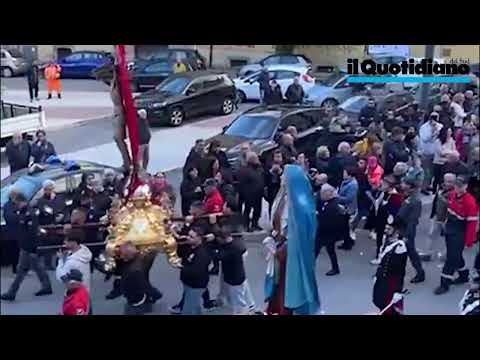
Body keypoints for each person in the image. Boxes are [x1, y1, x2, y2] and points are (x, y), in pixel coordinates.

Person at [1, 192, 53, 301]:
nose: (15, 205)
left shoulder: (29, 213)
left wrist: (31, 248)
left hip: (29, 247)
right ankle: (46, 286)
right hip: (28, 246)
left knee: (22, 270)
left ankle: (12, 292)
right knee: (36, 268)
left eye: (16, 203)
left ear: (21, 202)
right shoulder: (26, 212)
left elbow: (32, 232)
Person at [434, 176, 479, 295]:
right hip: (450, 229)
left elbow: (472, 224)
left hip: (460, 232)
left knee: (451, 259)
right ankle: (464, 275)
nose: (457, 188)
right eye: (456, 185)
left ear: (466, 186)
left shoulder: (470, 202)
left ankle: (444, 283)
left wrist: (469, 241)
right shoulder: (453, 195)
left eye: (460, 186)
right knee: (456, 255)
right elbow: (448, 212)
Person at [372, 215, 408, 315]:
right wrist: (377, 275)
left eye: (389, 228)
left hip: (391, 283)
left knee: (389, 309)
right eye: (386, 227)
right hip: (382, 279)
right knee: (379, 301)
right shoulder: (387, 241)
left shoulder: (400, 247)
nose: (386, 230)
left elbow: (400, 271)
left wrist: (398, 290)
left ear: (396, 231)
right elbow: (382, 263)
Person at [367, 175, 404, 264]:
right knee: (380, 239)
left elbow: (392, 212)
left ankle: (381, 257)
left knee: (384, 240)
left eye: (384, 184)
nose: (381, 184)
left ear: (389, 186)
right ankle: (380, 255)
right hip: (380, 220)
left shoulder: (396, 197)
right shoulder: (383, 193)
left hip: (386, 223)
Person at [421, 173, 457, 262]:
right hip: (437, 216)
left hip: (447, 219)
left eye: (451, 182)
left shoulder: (455, 192)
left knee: (448, 238)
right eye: (447, 181)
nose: (449, 183)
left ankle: (446, 255)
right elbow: (436, 202)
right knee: (432, 235)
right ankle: (428, 253)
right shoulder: (441, 188)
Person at [397, 178, 425, 283]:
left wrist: (407, 234)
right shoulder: (406, 195)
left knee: (411, 252)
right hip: (400, 227)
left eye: (404, 183)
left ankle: (420, 273)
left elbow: (413, 220)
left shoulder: (415, 200)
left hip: (406, 229)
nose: (401, 184)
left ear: (410, 186)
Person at [35, 179, 68, 270]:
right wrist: (54, 212)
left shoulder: (59, 198)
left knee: (61, 245)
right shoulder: (41, 201)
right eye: (47, 189)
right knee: (48, 246)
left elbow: (63, 207)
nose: (49, 191)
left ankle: (60, 262)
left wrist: (62, 215)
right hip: (47, 225)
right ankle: (48, 264)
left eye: (51, 189)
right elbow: (46, 210)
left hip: (59, 225)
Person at [179, 227, 212, 315]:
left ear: (199, 238)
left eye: (191, 237)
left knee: (187, 311)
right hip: (189, 283)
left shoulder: (202, 254)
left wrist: (180, 266)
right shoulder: (191, 246)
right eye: (188, 236)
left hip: (195, 285)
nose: (188, 238)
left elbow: (196, 271)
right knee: (196, 307)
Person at [315, 183, 344, 276]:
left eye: (323, 193)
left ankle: (335, 268)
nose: (321, 195)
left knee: (318, 249)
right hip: (326, 232)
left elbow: (329, 220)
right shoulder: (329, 202)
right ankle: (335, 268)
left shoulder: (333, 206)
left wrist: (318, 217)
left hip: (327, 232)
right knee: (328, 250)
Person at [118, 242, 152, 315]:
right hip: (134, 297)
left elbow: (144, 285)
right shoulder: (135, 262)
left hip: (134, 299)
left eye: (122, 254)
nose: (120, 256)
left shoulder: (134, 270)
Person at [109, 67, 131, 173]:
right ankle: (126, 161)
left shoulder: (119, 84)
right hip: (116, 113)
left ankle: (127, 162)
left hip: (120, 113)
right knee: (117, 139)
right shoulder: (113, 83)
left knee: (118, 138)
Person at [237, 152, 264, 232]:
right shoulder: (245, 170)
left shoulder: (259, 168)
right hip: (248, 194)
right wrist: (243, 194)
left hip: (258, 194)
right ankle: (246, 225)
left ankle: (255, 224)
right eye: (256, 158)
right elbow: (242, 183)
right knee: (247, 210)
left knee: (257, 210)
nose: (258, 160)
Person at [419, 112, 443, 194]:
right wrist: (432, 132)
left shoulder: (440, 126)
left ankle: (428, 185)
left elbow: (442, 136)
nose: (434, 119)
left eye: (436, 117)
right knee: (427, 171)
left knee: (433, 171)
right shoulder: (424, 127)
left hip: (436, 153)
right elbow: (425, 139)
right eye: (433, 117)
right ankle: (423, 187)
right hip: (426, 152)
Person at [337, 167, 359, 251]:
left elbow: (349, 199)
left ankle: (348, 243)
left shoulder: (353, 185)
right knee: (344, 226)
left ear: (350, 175)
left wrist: (337, 197)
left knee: (346, 226)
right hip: (344, 207)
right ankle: (347, 242)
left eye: (345, 173)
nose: (343, 175)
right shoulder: (345, 182)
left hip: (348, 209)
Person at [432, 127, 456, 191]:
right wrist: (449, 152)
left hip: (447, 162)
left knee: (444, 178)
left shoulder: (452, 140)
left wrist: (447, 152)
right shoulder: (438, 141)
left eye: (450, 132)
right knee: (437, 177)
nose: (450, 133)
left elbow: (454, 151)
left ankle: (443, 189)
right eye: (448, 132)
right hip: (438, 162)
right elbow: (441, 153)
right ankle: (434, 190)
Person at [264, 150, 284, 216]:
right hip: (272, 189)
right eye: (276, 157)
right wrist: (271, 172)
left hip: (281, 189)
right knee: (272, 205)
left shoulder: (284, 167)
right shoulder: (268, 166)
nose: (278, 159)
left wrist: (280, 173)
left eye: (279, 157)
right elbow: (265, 177)